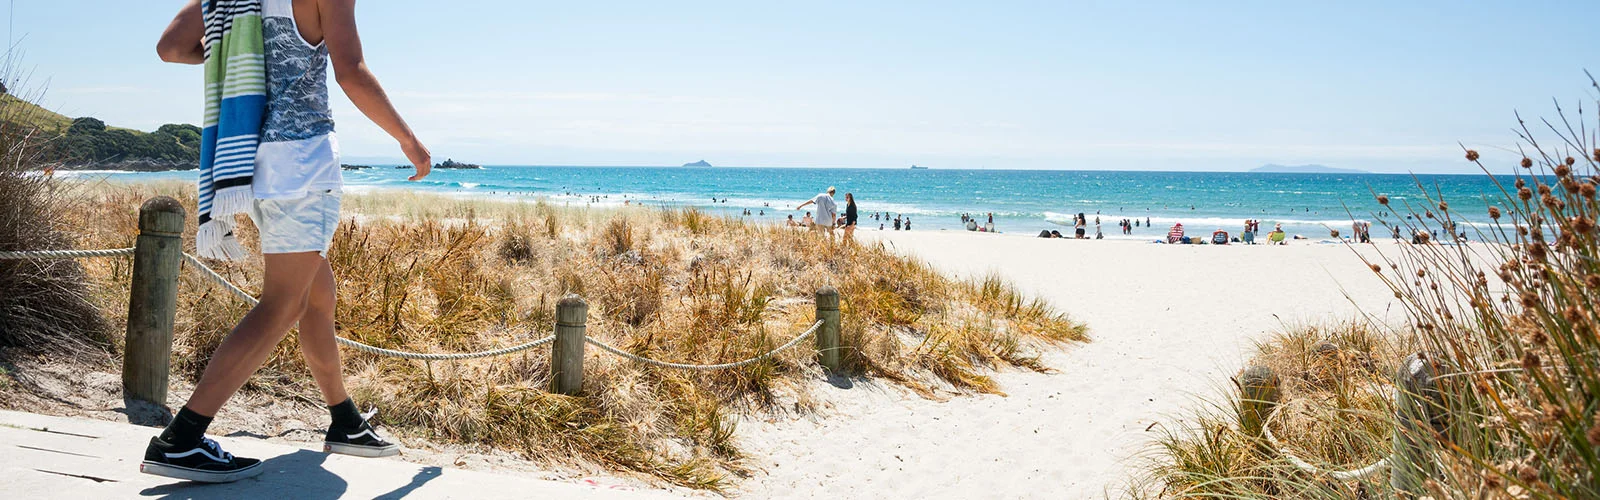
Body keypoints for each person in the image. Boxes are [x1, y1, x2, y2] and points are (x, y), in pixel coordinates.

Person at [147, 0, 427, 483]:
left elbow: (171, 49)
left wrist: (230, 55)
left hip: (249, 162)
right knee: (281, 305)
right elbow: (351, 71)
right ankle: (182, 438)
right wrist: (408, 140)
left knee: (316, 298)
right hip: (302, 166)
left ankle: (345, 422)